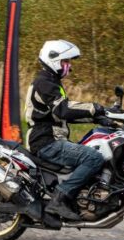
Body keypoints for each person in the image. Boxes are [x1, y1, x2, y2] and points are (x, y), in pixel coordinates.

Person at [26, 40, 108, 221]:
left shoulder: (51, 82)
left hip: (51, 140)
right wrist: (95, 108)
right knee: (94, 158)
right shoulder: (44, 83)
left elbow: (65, 115)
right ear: (54, 59)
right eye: (66, 61)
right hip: (46, 142)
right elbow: (63, 109)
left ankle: (79, 198)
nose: (69, 66)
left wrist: (100, 117)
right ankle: (59, 198)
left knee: (93, 151)